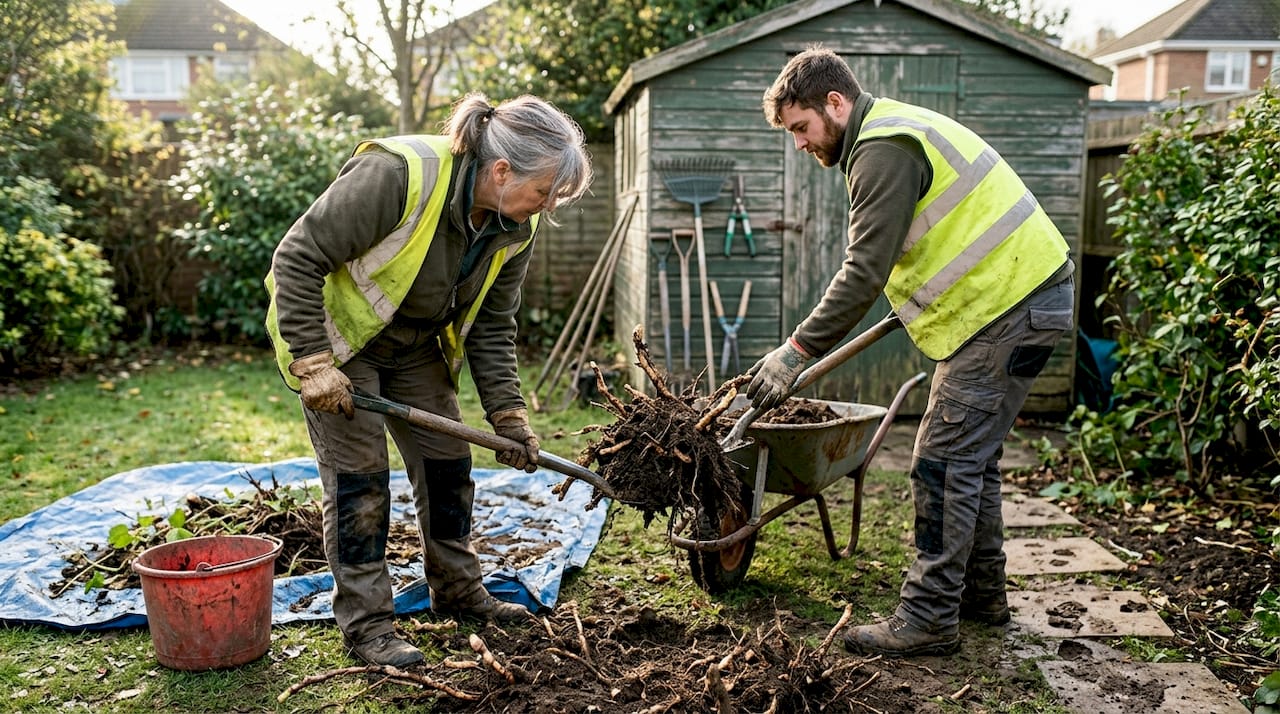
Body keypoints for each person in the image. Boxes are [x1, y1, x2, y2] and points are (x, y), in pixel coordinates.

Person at [751, 46, 1075, 657]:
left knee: (941, 460)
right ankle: (981, 598)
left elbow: (863, 271)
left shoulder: (882, 149)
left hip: (1008, 307)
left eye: (801, 128)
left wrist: (795, 352)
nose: (798, 143)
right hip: (1027, 299)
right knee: (971, 462)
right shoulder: (891, 132)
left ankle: (928, 617)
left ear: (836, 103)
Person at [265, 93, 592, 667]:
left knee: (448, 468)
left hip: (417, 347)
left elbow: (493, 320)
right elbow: (297, 255)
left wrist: (507, 413)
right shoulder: (398, 174)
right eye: (544, 190)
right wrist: (314, 362)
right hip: (343, 342)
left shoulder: (515, 224)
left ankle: (459, 590)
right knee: (359, 485)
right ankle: (368, 626)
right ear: (501, 169)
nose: (546, 205)